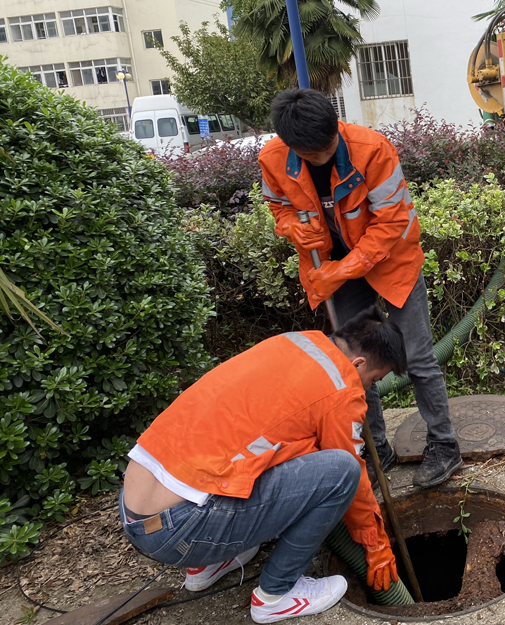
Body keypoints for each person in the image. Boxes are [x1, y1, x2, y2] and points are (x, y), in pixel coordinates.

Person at [119, 307, 404, 624]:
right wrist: (375, 544)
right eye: (373, 380)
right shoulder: (341, 387)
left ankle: (209, 564)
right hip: (181, 527)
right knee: (342, 472)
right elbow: (350, 468)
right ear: (358, 364)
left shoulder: (294, 342)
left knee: (271, 448)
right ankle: (275, 595)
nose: (367, 389)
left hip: (137, 508)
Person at [259, 88, 463, 488]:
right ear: (292, 145)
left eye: (327, 148)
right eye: (311, 154)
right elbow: (278, 207)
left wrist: (345, 269)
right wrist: (291, 229)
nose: (320, 157)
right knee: (353, 364)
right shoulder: (272, 158)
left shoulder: (372, 150)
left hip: (392, 261)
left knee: (418, 356)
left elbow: (390, 222)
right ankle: (376, 449)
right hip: (332, 268)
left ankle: (444, 445)